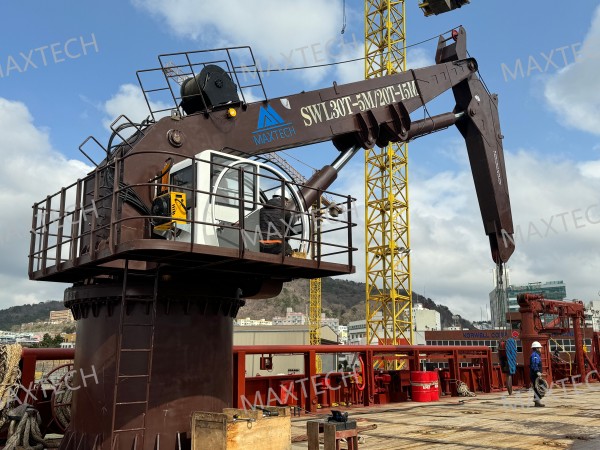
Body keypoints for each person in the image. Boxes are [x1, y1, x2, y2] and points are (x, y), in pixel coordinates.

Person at [530, 341, 545, 407]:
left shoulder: (536, 355)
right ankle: (537, 401)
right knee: (538, 387)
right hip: (535, 374)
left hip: (535, 374)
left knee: (538, 387)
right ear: (537, 348)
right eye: (540, 348)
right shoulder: (535, 355)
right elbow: (534, 364)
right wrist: (537, 372)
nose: (541, 349)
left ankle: (537, 401)